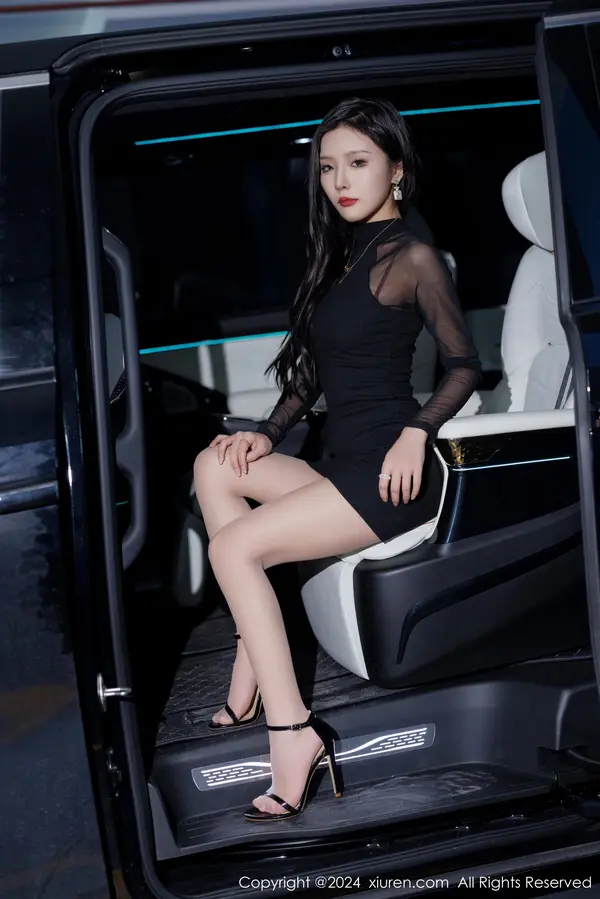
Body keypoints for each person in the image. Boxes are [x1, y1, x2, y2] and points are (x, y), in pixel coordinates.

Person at [193, 97, 481, 822]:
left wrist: (418, 431)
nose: (340, 182)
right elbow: (312, 377)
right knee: (214, 464)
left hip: (391, 475)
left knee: (232, 548)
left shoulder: (412, 258)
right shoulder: (344, 257)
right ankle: (253, 654)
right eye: (327, 168)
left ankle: (293, 734)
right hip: (341, 464)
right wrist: (266, 432)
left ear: (397, 170)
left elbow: (463, 366)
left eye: (358, 163)